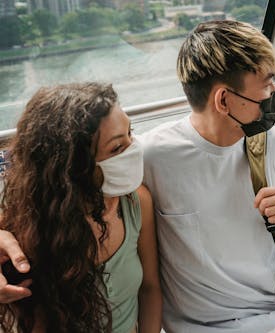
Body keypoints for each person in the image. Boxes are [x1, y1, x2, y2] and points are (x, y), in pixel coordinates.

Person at [0, 21, 275, 333]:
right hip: (201, 327)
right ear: (223, 99)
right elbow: (54, 182)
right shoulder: (149, 157)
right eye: (265, 84)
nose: (273, 92)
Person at [0, 83, 162, 333]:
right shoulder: (28, 228)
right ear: (75, 165)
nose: (134, 149)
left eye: (131, 133)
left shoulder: (136, 202)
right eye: (117, 148)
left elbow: (150, 287)